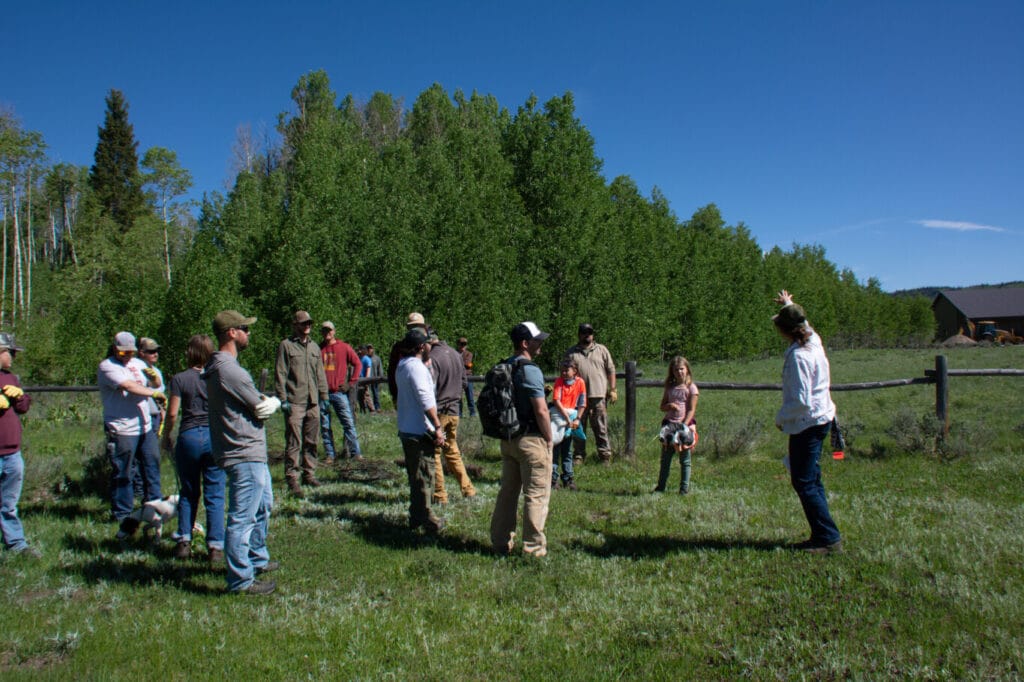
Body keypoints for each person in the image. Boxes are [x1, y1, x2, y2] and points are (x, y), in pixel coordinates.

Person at [206, 310, 282, 595]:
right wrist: (272, 402)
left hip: (248, 450)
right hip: (243, 450)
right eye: (244, 329)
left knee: (262, 506)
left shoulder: (222, 368)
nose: (249, 333)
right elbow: (260, 407)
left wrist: (265, 403)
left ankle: (255, 557)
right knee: (243, 517)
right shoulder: (230, 370)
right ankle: (240, 579)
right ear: (231, 333)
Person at [773, 289, 842, 555]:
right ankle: (823, 534)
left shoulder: (800, 356)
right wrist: (789, 304)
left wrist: (781, 419)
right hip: (820, 418)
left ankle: (827, 538)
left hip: (807, 422)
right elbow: (805, 324)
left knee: (804, 481)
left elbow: (801, 401)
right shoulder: (813, 342)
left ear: (786, 331)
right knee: (810, 478)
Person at [490, 322, 554, 557]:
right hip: (531, 440)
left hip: (508, 439)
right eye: (538, 340)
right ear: (525, 343)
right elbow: (541, 410)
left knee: (507, 493)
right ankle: (533, 549)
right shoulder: (531, 370)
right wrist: (549, 439)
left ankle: (500, 542)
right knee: (536, 495)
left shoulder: (505, 365)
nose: (541, 344)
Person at [161, 334, 226, 565]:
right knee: (215, 492)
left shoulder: (179, 379)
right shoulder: (216, 376)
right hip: (212, 435)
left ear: (190, 352)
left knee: (188, 491)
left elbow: (172, 412)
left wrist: (167, 434)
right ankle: (216, 546)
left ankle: (184, 540)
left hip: (188, 435)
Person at [98, 332, 165, 523]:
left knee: (152, 464)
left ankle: (154, 506)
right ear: (115, 350)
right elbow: (128, 386)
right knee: (124, 471)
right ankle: (123, 515)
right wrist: (153, 393)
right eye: (123, 352)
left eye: (130, 352)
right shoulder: (107, 367)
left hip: (144, 425)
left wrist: (155, 381)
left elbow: (155, 384)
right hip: (122, 427)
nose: (127, 356)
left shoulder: (138, 364)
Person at [395, 327, 446, 534]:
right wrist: (438, 426)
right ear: (420, 347)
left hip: (407, 427)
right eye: (427, 344)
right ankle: (427, 520)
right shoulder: (416, 368)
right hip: (419, 429)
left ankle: (416, 517)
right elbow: (426, 399)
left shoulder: (402, 365)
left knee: (416, 476)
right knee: (425, 476)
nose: (429, 347)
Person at [275, 310, 329, 497]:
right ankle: (292, 477)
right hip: (295, 400)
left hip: (313, 401)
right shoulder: (286, 346)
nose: (307, 326)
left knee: (312, 440)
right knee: (294, 441)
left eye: (309, 323)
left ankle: (309, 473)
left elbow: (320, 373)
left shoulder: (314, 347)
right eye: (304, 323)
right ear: (295, 325)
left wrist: (324, 396)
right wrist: (283, 399)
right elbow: (281, 373)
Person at [0, 333, 37, 557]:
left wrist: (20, 396)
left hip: (12, 451)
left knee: (9, 504)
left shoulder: (10, 378)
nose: (13, 357)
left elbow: (23, 407)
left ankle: (15, 543)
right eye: (9, 352)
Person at [428, 332, 476, 505]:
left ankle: (440, 494)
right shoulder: (456, 355)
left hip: (439, 411)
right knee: (452, 451)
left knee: (435, 453)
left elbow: (429, 388)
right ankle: (468, 489)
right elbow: (464, 382)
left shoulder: (433, 357)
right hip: (455, 410)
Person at [565, 323, 617, 464]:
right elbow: (565, 374)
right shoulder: (571, 353)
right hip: (578, 397)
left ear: (593, 334)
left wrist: (612, 389)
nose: (587, 335)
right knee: (579, 427)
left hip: (598, 396)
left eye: (589, 332)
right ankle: (579, 455)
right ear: (579, 334)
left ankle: (604, 455)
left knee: (601, 427)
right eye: (584, 332)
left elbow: (611, 370)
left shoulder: (602, 350)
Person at [655, 356, 700, 494]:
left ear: (687, 370)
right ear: (672, 372)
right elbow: (662, 406)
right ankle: (660, 487)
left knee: (685, 459)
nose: (679, 372)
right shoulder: (670, 387)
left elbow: (692, 409)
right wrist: (669, 406)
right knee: (666, 459)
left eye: (681, 369)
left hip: (684, 425)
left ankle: (684, 489)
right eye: (676, 370)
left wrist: (684, 425)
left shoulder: (691, 388)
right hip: (670, 424)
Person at [319, 321, 362, 461]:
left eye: (329, 330)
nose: (327, 333)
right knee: (325, 425)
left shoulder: (344, 347)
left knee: (348, 423)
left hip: (338, 392)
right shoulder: (318, 349)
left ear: (334, 331)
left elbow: (357, 363)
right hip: (323, 393)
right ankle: (330, 454)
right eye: (324, 331)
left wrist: (350, 383)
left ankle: (356, 453)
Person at [133, 337, 164, 502]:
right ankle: (139, 490)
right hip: (139, 416)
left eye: (156, 351)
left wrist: (162, 413)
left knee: (152, 456)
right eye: (151, 351)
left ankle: (151, 492)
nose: (155, 354)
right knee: (138, 457)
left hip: (155, 416)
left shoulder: (156, 372)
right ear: (141, 353)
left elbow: (161, 396)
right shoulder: (136, 370)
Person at [551, 358, 586, 491]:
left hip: (572, 416)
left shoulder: (580, 383)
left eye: (567, 370)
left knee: (567, 450)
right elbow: (556, 400)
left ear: (575, 371)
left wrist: (577, 419)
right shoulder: (559, 381)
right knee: (555, 449)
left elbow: (582, 402)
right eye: (562, 370)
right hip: (559, 416)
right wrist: (567, 418)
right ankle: (553, 479)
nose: (564, 373)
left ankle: (568, 478)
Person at [388, 312, 428, 404]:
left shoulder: (427, 346)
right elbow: (392, 371)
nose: (415, 329)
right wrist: (395, 394)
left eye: (418, 325)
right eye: (412, 326)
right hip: (404, 394)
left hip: (424, 394)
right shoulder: (398, 347)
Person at [457, 337, 476, 417]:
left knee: (470, 396)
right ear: (458, 344)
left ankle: (472, 413)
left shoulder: (469, 353)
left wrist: (458, 363)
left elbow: (468, 364)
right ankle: (459, 413)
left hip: (468, 377)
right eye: (461, 344)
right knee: (458, 397)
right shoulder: (455, 353)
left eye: (464, 344)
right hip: (458, 377)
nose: (463, 346)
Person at [358, 345, 375, 413]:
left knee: (366, 394)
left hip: (364, 379)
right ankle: (363, 409)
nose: (359, 351)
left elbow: (368, 369)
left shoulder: (366, 359)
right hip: (359, 378)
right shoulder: (359, 358)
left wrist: (366, 380)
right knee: (360, 395)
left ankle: (372, 409)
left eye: (360, 349)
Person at [368, 344, 384, 411]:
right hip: (367, 379)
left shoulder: (377, 358)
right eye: (368, 348)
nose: (369, 350)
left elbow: (380, 369)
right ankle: (369, 408)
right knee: (367, 394)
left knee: (375, 393)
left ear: (373, 349)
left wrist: (380, 379)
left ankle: (377, 407)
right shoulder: (365, 358)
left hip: (375, 378)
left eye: (371, 348)